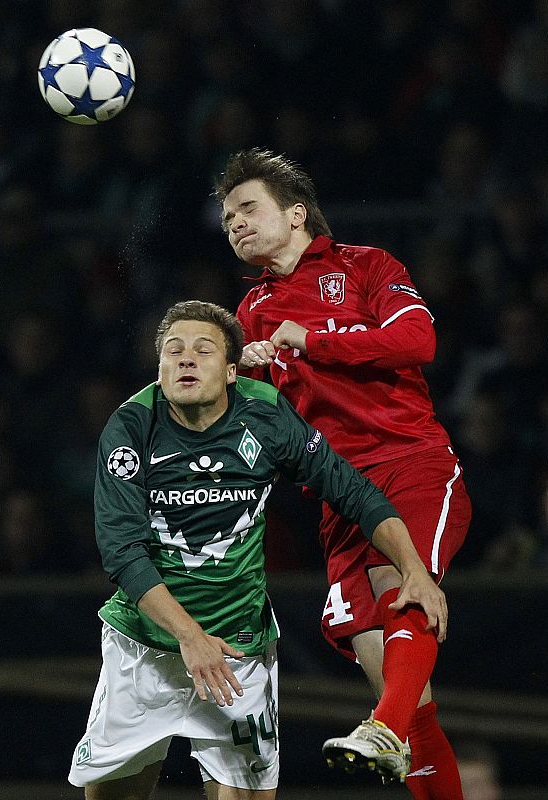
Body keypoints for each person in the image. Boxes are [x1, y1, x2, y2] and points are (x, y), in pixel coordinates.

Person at [68, 300, 448, 799]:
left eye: (203, 350)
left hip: (239, 648)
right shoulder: (130, 427)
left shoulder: (265, 413)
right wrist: (189, 636)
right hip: (146, 648)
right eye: (173, 351)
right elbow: (122, 552)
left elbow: (354, 492)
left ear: (232, 371)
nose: (185, 359)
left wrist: (413, 567)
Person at [214, 149, 472, 797]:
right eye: (226, 218)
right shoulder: (250, 314)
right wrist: (241, 382)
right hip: (338, 497)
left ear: (295, 213)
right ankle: (390, 727)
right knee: (408, 700)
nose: (234, 223)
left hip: (409, 461)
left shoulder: (366, 266)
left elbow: (417, 342)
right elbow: (258, 434)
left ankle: (380, 729)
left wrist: (312, 340)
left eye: (247, 208)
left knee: (399, 588)